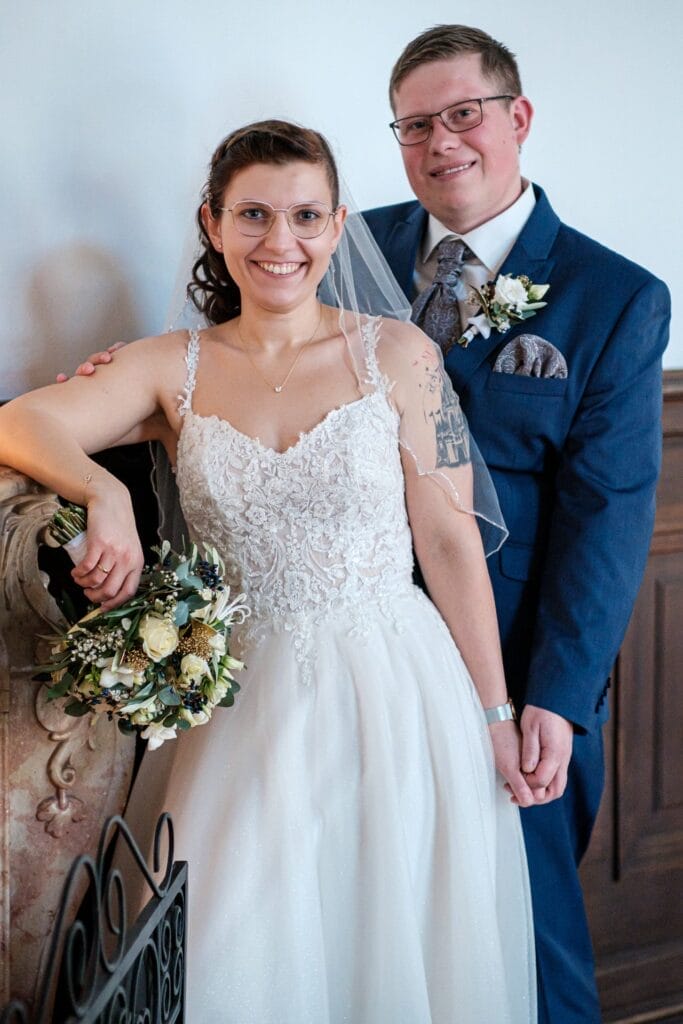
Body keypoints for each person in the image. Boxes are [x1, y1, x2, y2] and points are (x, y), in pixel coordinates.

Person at [0, 120, 538, 1022]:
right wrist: (106, 493)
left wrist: (492, 712)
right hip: (239, 703)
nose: (278, 242)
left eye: (303, 216)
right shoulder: (172, 366)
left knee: (391, 935)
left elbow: (447, 546)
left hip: (396, 695)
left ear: (334, 227)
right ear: (212, 224)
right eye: (252, 215)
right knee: (231, 943)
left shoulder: (399, 356)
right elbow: (19, 422)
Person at [361, 24, 671, 1024]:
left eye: (462, 115)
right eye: (415, 125)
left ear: (516, 119)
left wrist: (556, 698)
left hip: (517, 677)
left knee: (528, 945)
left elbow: (606, 514)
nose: (439, 142)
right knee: (380, 929)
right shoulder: (344, 249)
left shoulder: (612, 295)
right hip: (360, 658)